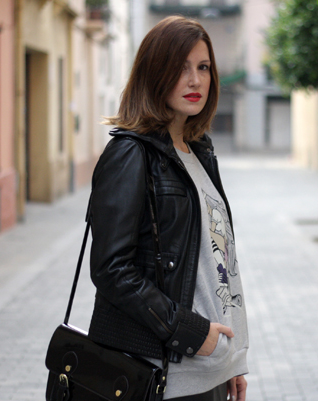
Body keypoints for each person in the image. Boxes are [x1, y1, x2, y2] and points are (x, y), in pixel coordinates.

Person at [87, 16, 248, 401]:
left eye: (203, 67)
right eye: (180, 68)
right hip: (164, 377)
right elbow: (111, 270)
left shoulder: (200, 152)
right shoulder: (130, 153)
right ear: (154, 72)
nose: (195, 80)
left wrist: (232, 361)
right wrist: (192, 333)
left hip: (211, 369)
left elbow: (218, 264)